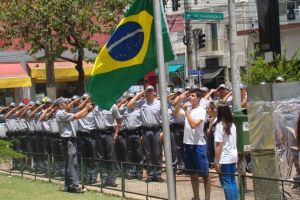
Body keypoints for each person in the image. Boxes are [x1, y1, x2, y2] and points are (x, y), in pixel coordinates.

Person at [174, 88, 210, 200]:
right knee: (192, 173)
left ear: (198, 98)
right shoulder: (188, 109)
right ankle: (196, 197)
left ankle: (207, 198)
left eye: (193, 96)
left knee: (204, 173)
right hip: (188, 144)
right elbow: (175, 112)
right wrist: (180, 98)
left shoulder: (202, 110)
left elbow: (194, 125)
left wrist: (187, 112)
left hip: (199, 145)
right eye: (189, 96)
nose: (190, 97)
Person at [55, 97, 92, 193]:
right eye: (65, 102)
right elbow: (75, 116)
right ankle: (74, 186)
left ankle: (69, 186)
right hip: (68, 141)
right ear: (61, 105)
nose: (67, 104)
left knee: (70, 164)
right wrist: (86, 108)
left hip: (69, 141)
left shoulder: (63, 113)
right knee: (73, 164)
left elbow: (79, 116)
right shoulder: (60, 113)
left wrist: (88, 110)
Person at [127, 85, 163, 182]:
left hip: (156, 130)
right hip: (146, 131)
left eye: (151, 90)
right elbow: (129, 105)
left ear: (154, 91)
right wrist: (139, 94)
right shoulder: (142, 103)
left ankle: (158, 174)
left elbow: (164, 117)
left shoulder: (159, 103)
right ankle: (150, 174)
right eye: (148, 91)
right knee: (148, 154)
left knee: (157, 153)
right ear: (145, 92)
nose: (150, 92)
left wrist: (163, 132)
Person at [214, 103, 238, 200]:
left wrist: (216, 161)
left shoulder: (220, 126)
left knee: (227, 182)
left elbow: (219, 145)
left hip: (225, 157)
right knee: (232, 181)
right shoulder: (232, 125)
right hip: (233, 156)